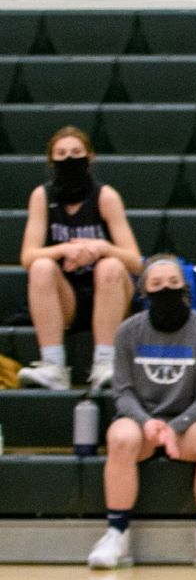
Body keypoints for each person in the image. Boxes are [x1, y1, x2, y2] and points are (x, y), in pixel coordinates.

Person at [85, 255, 196, 571]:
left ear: (185, 289)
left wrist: (176, 426)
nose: (165, 289)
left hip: (187, 423)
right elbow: (122, 392)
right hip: (143, 421)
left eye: (173, 283)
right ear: (144, 292)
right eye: (156, 284)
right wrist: (147, 423)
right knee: (120, 436)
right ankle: (117, 535)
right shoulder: (128, 331)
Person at [18, 126, 143, 392]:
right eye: (61, 154)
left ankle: (106, 363)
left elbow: (135, 262)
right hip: (68, 299)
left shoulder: (106, 196)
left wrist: (100, 247)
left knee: (111, 265)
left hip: (111, 292)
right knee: (41, 267)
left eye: (76, 152)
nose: (69, 159)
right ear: (52, 161)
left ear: (90, 157)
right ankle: (53, 366)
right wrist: (65, 250)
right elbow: (28, 256)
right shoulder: (42, 197)